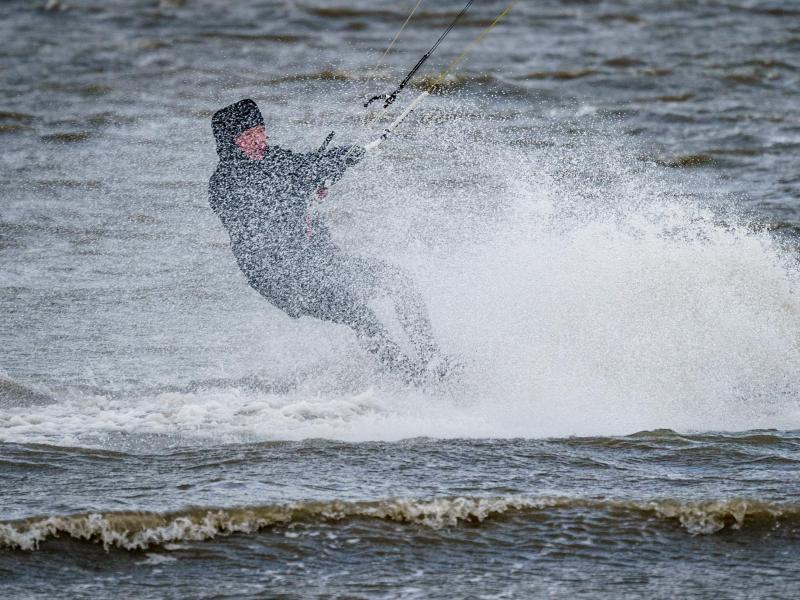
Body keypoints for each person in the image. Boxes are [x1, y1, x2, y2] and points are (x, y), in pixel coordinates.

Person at [208, 99, 450, 381]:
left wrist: (344, 157)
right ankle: (411, 378)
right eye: (248, 135)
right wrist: (304, 190)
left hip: (318, 262)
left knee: (398, 281)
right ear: (230, 142)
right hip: (280, 276)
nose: (259, 139)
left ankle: (432, 361)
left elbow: (310, 165)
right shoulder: (225, 182)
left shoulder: (274, 159)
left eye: (261, 130)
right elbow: (265, 212)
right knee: (360, 315)